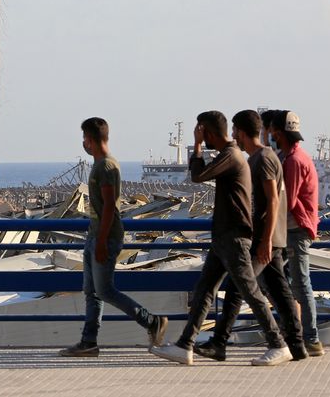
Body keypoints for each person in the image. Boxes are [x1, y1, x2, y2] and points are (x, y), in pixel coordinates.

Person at [151, 111, 291, 366]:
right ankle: (186, 345)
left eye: (201, 131)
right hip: (224, 236)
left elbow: (198, 175)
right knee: (205, 290)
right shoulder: (234, 155)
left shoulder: (231, 155)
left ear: (209, 131)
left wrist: (195, 146)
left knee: (249, 291)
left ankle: (278, 343)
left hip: (234, 236)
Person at [192, 110, 306, 361]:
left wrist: (265, 240)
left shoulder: (263, 158)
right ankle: (297, 346)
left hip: (266, 239)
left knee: (238, 289)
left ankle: (224, 342)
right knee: (279, 292)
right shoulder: (259, 157)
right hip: (266, 237)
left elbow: (274, 200)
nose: (233, 136)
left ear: (242, 132)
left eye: (235, 131)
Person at [59, 117, 168, 357]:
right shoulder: (100, 164)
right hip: (95, 235)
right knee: (92, 292)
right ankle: (89, 342)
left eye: (84, 138)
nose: (83, 143)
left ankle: (152, 322)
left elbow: (110, 207)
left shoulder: (106, 166)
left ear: (90, 139)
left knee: (105, 291)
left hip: (104, 238)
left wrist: (100, 242)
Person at [270, 110, 324, 356]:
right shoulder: (296, 156)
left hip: (295, 228)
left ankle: (311, 338)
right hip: (295, 228)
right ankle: (299, 334)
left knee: (300, 284)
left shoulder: (292, 161)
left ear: (279, 133)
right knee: (293, 284)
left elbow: (287, 201)